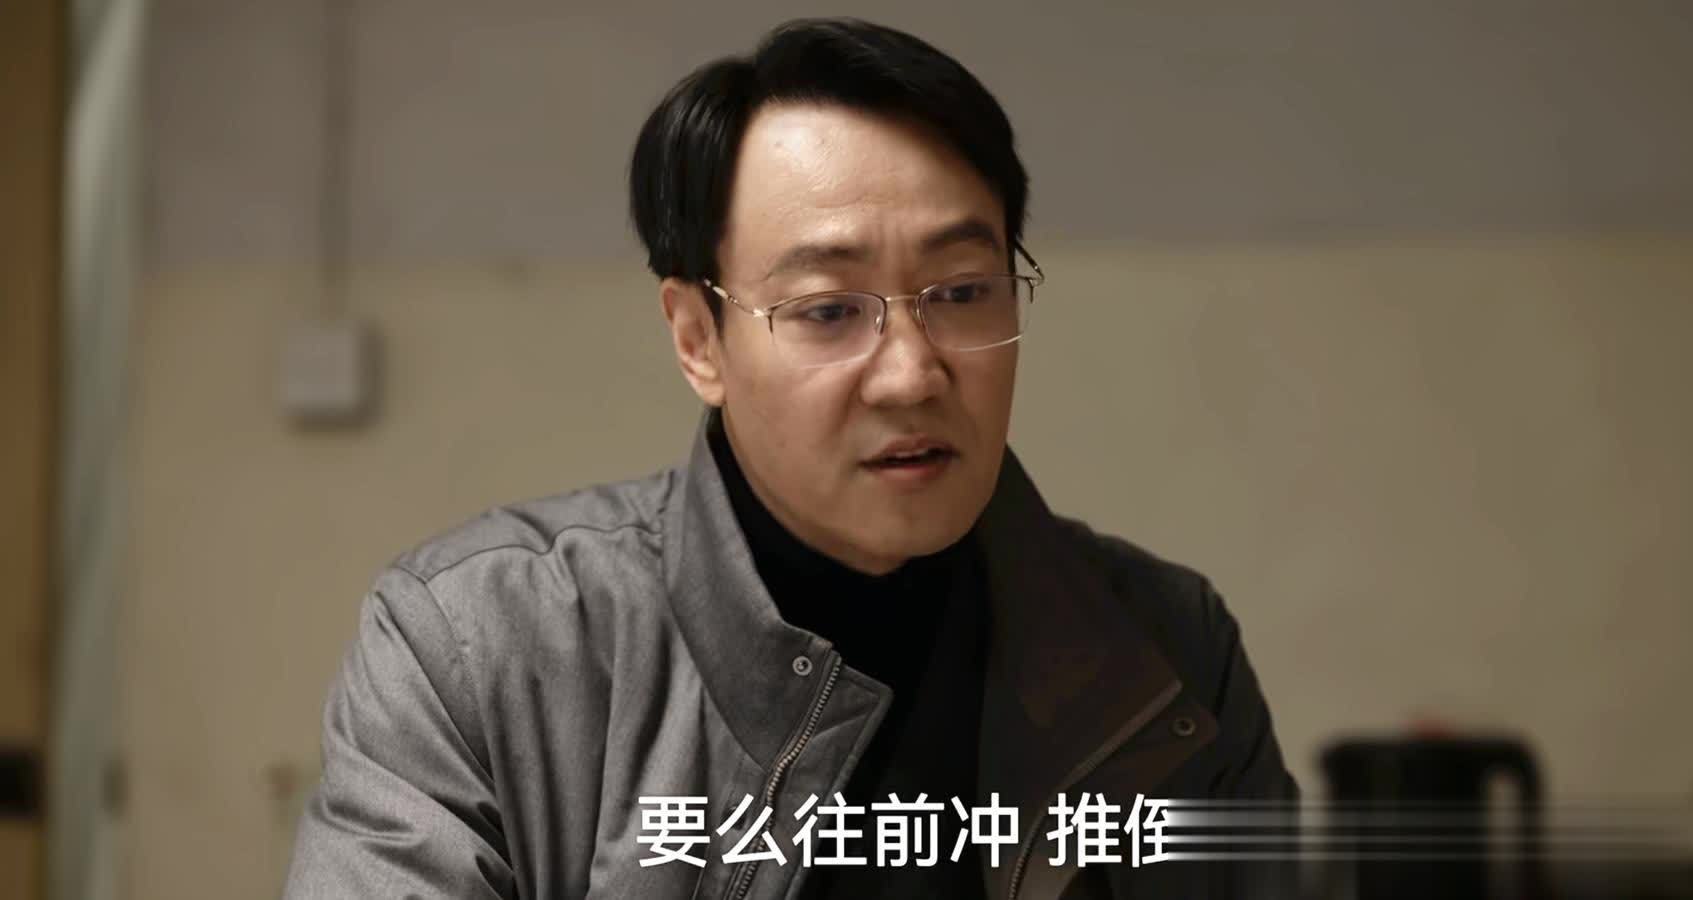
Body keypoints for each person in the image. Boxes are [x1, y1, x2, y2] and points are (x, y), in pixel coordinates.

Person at [283, 17, 1297, 900]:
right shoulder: (480, 647)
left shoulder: (1166, 649)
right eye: (827, 310)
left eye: (961, 292)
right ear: (697, 338)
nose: (912, 374)